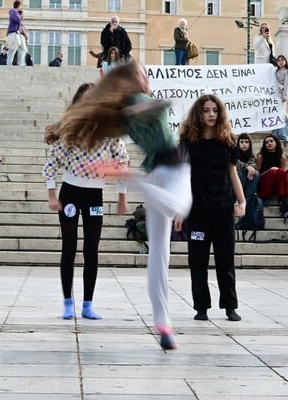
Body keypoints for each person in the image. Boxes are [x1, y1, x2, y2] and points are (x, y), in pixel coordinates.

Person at [56, 62, 192, 350]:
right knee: (181, 205)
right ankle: (134, 179)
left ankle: (163, 324)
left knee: (159, 255)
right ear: (130, 81)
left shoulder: (119, 113)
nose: (147, 77)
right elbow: (165, 102)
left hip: (155, 176)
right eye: (143, 74)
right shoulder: (137, 101)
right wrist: (142, 107)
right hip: (173, 169)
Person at [44, 82, 129, 322]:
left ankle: (88, 304)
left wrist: (122, 196)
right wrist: (51, 194)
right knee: (69, 249)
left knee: (91, 250)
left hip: (94, 195)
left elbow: (122, 162)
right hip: (70, 192)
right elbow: (52, 164)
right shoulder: (70, 131)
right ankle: (67, 303)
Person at [179, 94, 245, 323]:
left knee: (225, 260)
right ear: (199, 113)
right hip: (197, 211)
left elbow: (233, 173)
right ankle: (201, 307)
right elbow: (182, 177)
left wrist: (242, 201)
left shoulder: (228, 140)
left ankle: (229, 306)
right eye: (206, 110)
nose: (211, 114)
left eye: (215, 110)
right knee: (197, 261)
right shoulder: (188, 142)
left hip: (223, 208)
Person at [272, 55, 288, 144]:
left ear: (285, 61)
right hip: (276, 96)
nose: (280, 62)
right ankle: (274, 135)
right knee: (275, 115)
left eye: (282, 60)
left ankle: (283, 136)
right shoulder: (275, 71)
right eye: (279, 60)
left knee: (284, 116)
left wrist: (285, 95)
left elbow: (287, 84)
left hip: (284, 96)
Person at [256, 134, 287, 200]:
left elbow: (283, 175)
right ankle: (265, 196)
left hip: (277, 184)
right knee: (272, 172)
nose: (269, 143)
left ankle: (281, 196)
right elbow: (258, 175)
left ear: (276, 142)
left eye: (271, 141)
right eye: (266, 142)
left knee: (281, 171)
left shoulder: (282, 157)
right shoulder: (260, 156)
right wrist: (269, 170)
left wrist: (276, 170)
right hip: (265, 183)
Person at [236, 133, 259, 199]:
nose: (244, 144)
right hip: (236, 182)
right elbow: (237, 163)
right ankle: (239, 198)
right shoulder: (234, 153)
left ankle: (248, 198)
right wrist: (247, 167)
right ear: (238, 143)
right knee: (242, 173)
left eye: (246, 142)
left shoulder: (251, 154)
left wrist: (251, 168)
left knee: (255, 173)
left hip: (247, 182)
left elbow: (254, 165)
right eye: (242, 142)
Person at [6, 1, 26, 66]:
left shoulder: (16, 12)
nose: (21, 8)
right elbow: (17, 19)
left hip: (17, 33)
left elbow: (19, 22)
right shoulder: (13, 11)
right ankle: (9, 63)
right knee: (15, 45)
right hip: (13, 32)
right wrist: (20, 19)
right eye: (21, 6)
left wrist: (25, 34)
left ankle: (21, 63)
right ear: (19, 6)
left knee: (23, 48)